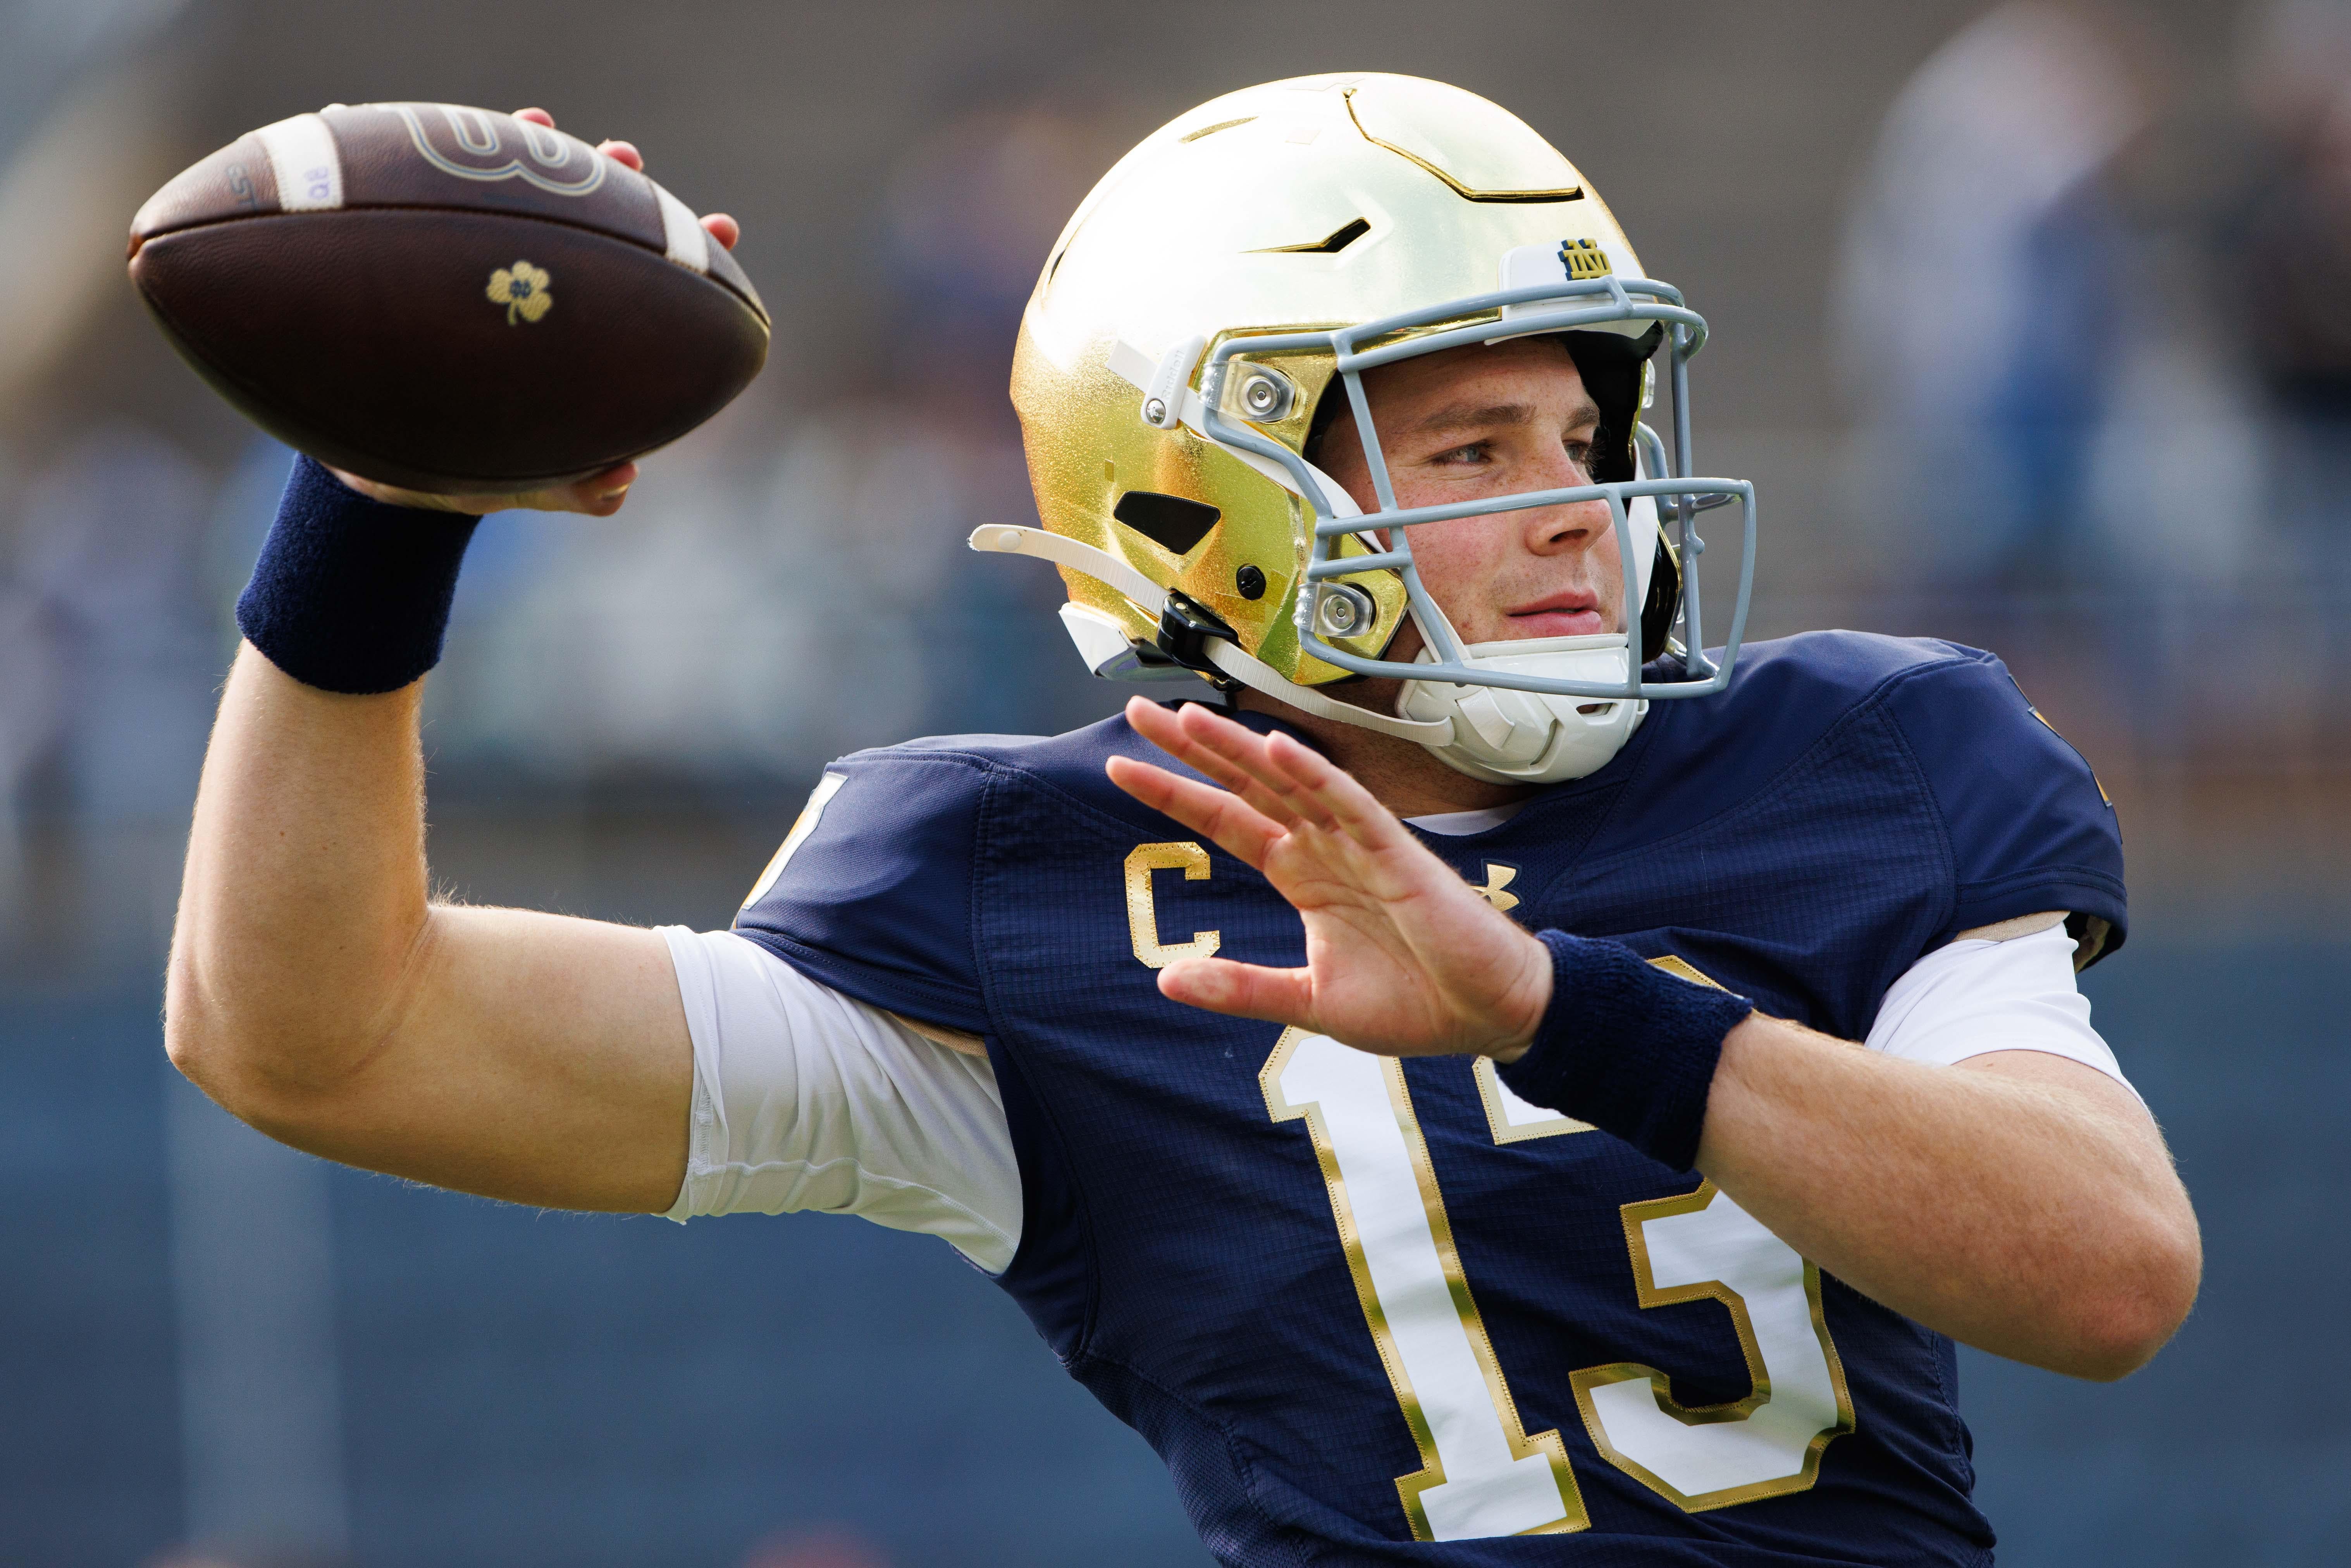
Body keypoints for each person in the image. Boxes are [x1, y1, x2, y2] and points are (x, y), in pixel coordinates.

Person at [167, 79, 2200, 1565]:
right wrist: (384, 505)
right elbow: (322, 1035)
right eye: (1474, 447)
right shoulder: (1030, 886)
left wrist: (1555, 1005)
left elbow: (2102, 1274)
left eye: (1584, 430)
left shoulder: (1851, 756)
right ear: (1199, 507)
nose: (1583, 499)